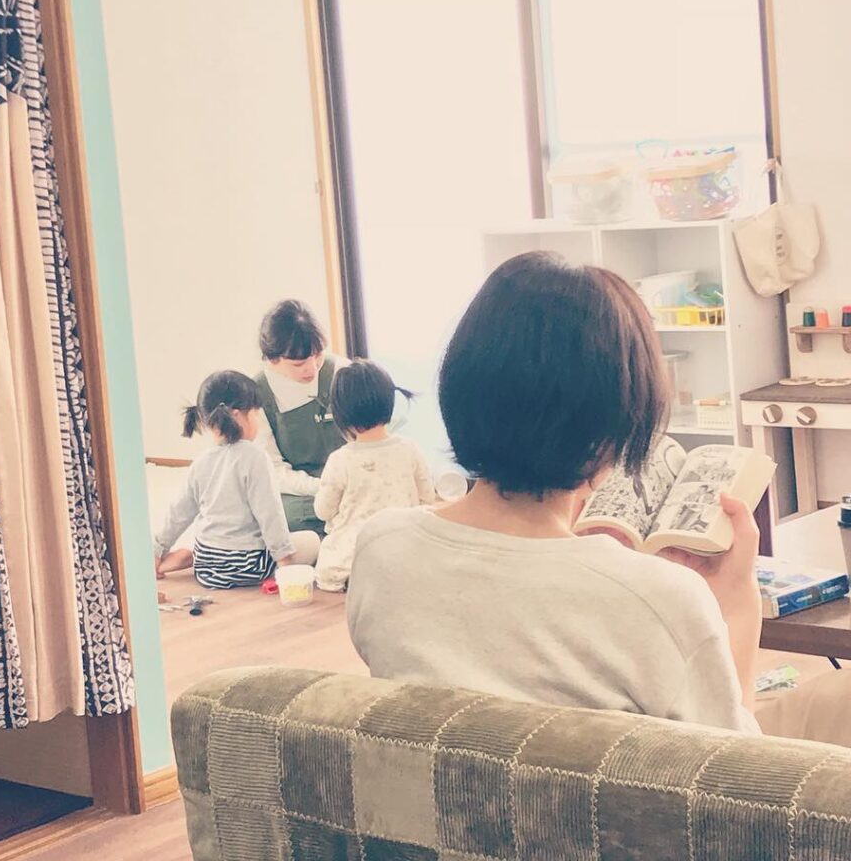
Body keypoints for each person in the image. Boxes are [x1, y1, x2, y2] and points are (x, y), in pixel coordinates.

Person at [348, 251, 851, 742]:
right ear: (612, 433)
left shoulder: (381, 549)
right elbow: (732, 770)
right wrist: (737, 603)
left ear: (459, 385)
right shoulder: (659, 600)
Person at [153, 370, 319, 590]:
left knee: (210, 540)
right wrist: (284, 564)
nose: (257, 422)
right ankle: (194, 556)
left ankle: (189, 557)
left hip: (207, 567)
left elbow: (179, 512)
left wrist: (157, 549)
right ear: (238, 415)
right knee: (312, 540)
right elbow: (270, 515)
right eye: (255, 415)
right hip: (250, 566)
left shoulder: (201, 461)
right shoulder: (256, 457)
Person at [313, 360, 435, 591]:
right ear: (389, 402)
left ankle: (359, 579)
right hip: (405, 546)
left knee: (330, 561)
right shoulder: (410, 449)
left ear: (341, 413)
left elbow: (323, 511)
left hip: (355, 553)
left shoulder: (340, 459)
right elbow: (427, 499)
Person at [254, 300, 348, 536]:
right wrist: (322, 487)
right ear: (272, 359)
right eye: (299, 364)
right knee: (277, 516)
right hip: (301, 492)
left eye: (317, 356)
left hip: (348, 477)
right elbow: (274, 470)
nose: (312, 368)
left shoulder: (340, 371)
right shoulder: (257, 393)